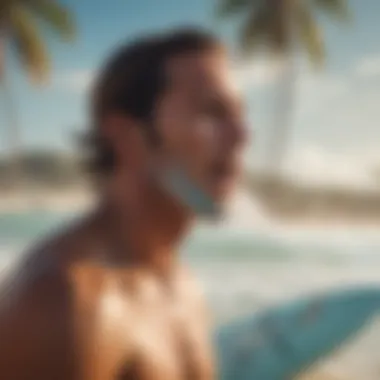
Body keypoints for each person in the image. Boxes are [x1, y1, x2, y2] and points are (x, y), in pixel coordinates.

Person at [0, 28, 247, 380]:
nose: (241, 136)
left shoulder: (180, 280)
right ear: (127, 136)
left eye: (238, 115)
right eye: (212, 113)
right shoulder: (65, 305)